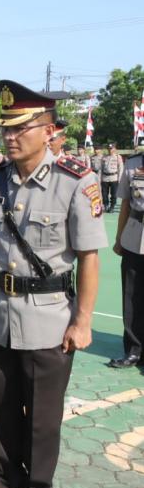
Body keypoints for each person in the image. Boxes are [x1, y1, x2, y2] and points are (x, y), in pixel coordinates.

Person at [0, 80, 106, 488]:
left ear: (47, 131)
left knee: (42, 419)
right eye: (5, 128)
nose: (9, 136)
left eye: (20, 129)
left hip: (50, 318)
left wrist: (82, 321)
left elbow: (88, 257)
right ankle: (3, 486)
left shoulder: (75, 180)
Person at [109, 149, 144, 368]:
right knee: (131, 296)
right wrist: (119, 238)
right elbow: (124, 204)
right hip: (135, 233)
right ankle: (133, 349)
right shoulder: (133, 164)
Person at [101, 143, 121, 212]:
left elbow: (120, 168)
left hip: (114, 177)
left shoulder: (118, 157)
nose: (110, 150)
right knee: (104, 194)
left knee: (114, 194)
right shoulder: (104, 157)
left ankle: (112, 206)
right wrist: (100, 178)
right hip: (105, 178)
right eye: (109, 149)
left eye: (111, 148)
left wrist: (119, 178)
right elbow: (101, 168)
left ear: (115, 149)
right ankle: (106, 205)